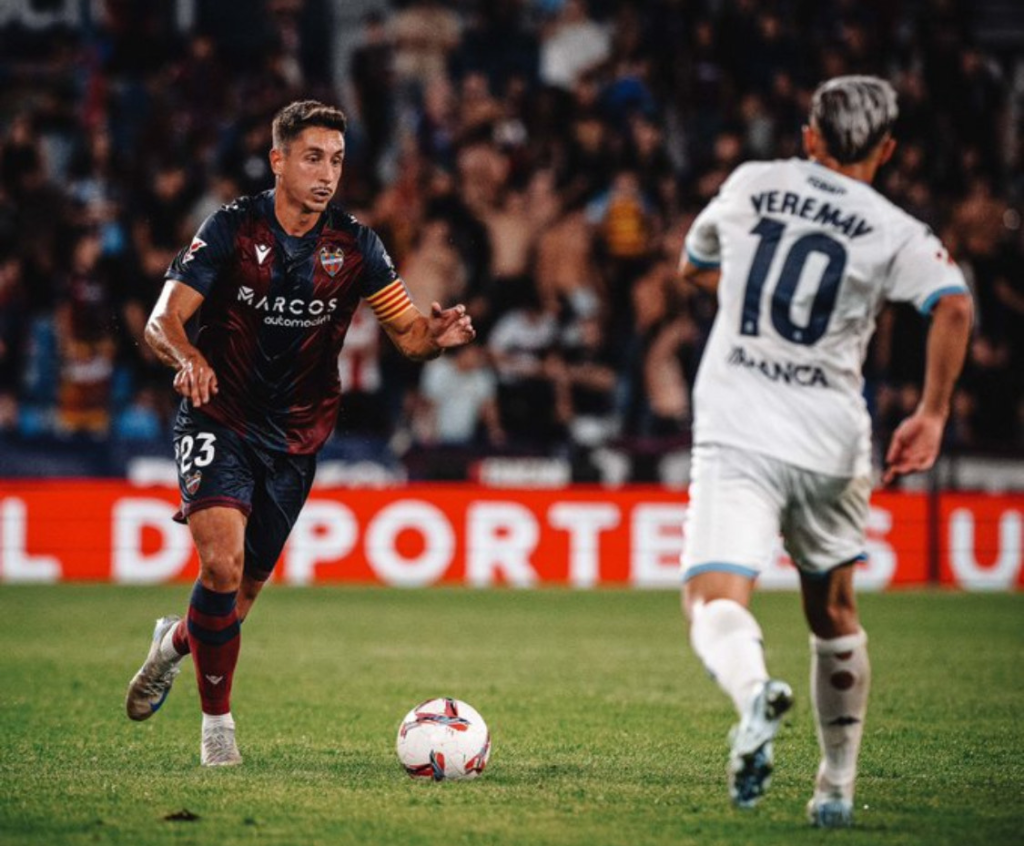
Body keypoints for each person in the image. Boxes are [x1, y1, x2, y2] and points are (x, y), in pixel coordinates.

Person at [124, 100, 475, 766]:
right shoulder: (231, 229)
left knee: (240, 594)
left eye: (337, 161)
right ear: (278, 159)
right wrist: (188, 357)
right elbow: (160, 323)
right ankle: (217, 730)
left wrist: (439, 339)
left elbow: (408, 337)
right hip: (218, 412)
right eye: (313, 157)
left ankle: (172, 646)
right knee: (220, 565)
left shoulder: (357, 246)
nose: (326, 174)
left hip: (297, 434)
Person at [676, 76, 972, 827]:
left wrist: (736, 292)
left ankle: (753, 697)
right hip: (833, 439)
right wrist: (933, 413)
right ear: (888, 150)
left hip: (740, 422)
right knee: (834, 610)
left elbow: (693, 268)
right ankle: (835, 788)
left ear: (810, 136)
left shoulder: (753, 182)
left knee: (713, 597)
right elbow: (955, 306)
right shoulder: (897, 229)